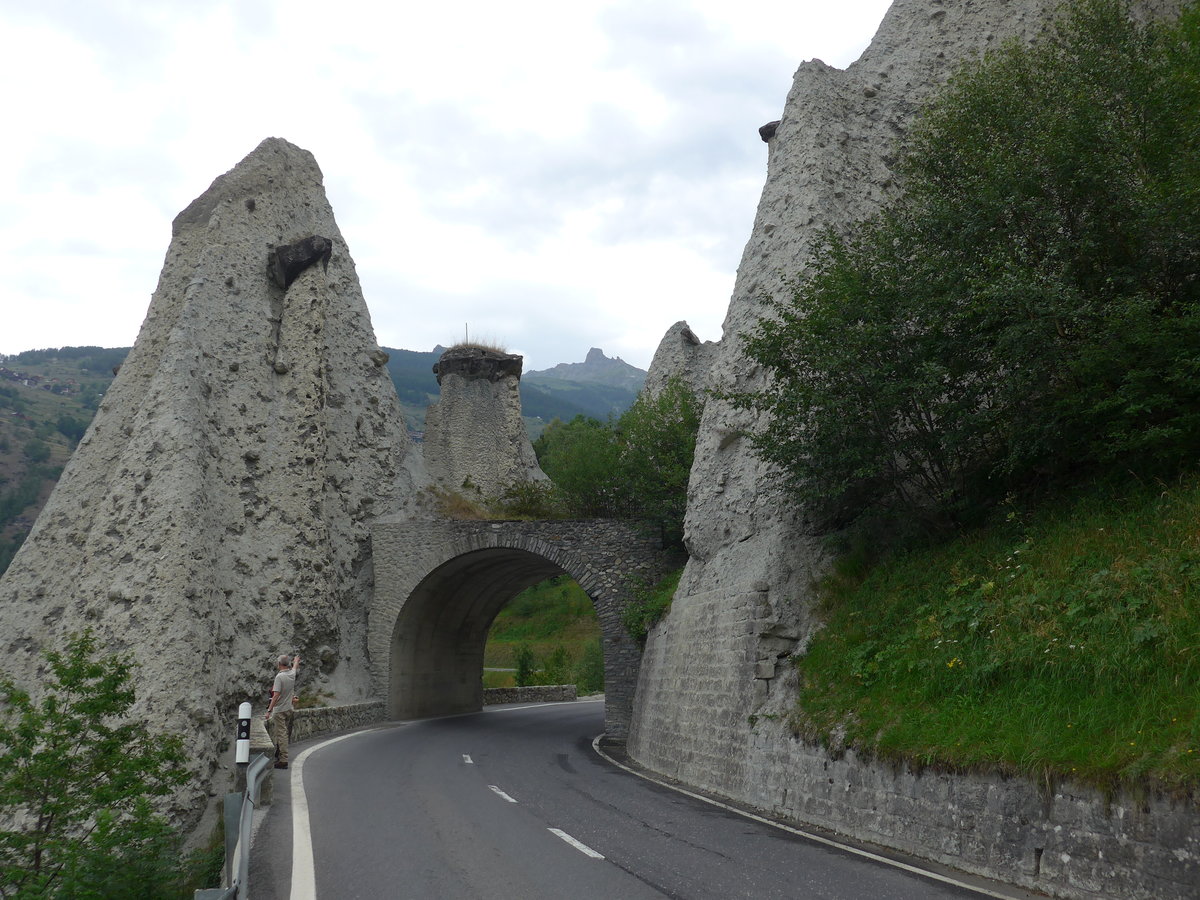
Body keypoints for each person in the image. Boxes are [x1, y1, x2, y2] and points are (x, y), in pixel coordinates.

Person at [265, 653, 300, 769]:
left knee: (281, 734)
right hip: (289, 708)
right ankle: (279, 753)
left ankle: (283, 760)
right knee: (284, 732)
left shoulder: (279, 677)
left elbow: (276, 695)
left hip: (279, 710)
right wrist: (296, 661)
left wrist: (269, 710)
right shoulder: (292, 674)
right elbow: (294, 668)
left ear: (279, 664)